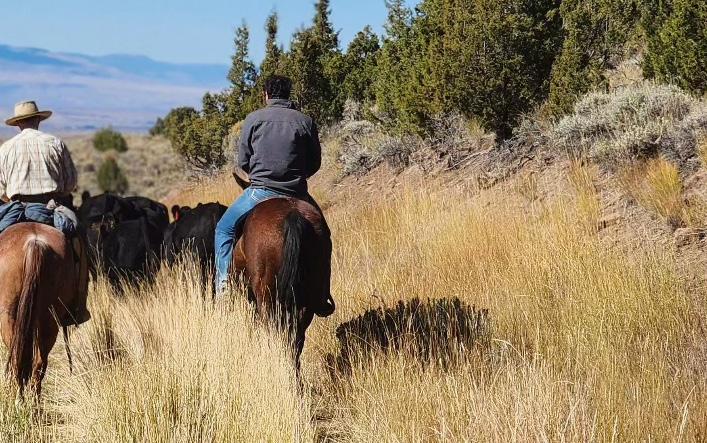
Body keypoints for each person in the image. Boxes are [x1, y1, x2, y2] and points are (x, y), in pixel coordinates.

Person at [215, 76, 327, 299]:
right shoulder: (305, 121)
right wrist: (297, 177)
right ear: (288, 94)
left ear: (266, 94)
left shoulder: (253, 119)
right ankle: (322, 293)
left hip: (260, 191)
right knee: (323, 234)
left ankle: (224, 285)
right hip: (297, 193)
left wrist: (258, 174)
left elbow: (243, 160)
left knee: (223, 229)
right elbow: (315, 162)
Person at [0, 101, 90, 326]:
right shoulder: (55, 143)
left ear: (18, 124)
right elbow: (70, 182)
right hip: (49, 206)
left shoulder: (6, 148)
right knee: (78, 240)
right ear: (38, 120)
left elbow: (1, 190)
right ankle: (78, 305)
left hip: (16, 207)